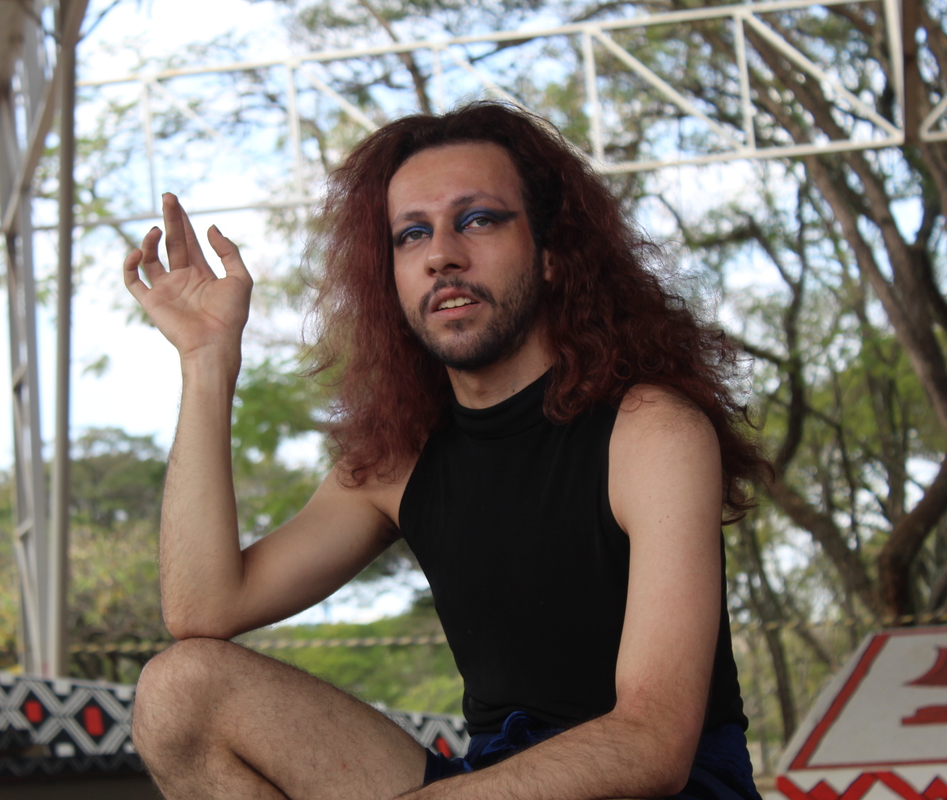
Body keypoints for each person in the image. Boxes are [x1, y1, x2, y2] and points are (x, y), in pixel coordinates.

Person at [122, 101, 769, 800]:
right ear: (390, 277)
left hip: (666, 790)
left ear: (553, 254)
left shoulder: (652, 432)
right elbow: (204, 609)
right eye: (412, 234)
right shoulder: (399, 458)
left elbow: (651, 745)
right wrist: (207, 360)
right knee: (180, 692)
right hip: (488, 781)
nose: (441, 255)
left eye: (478, 219)